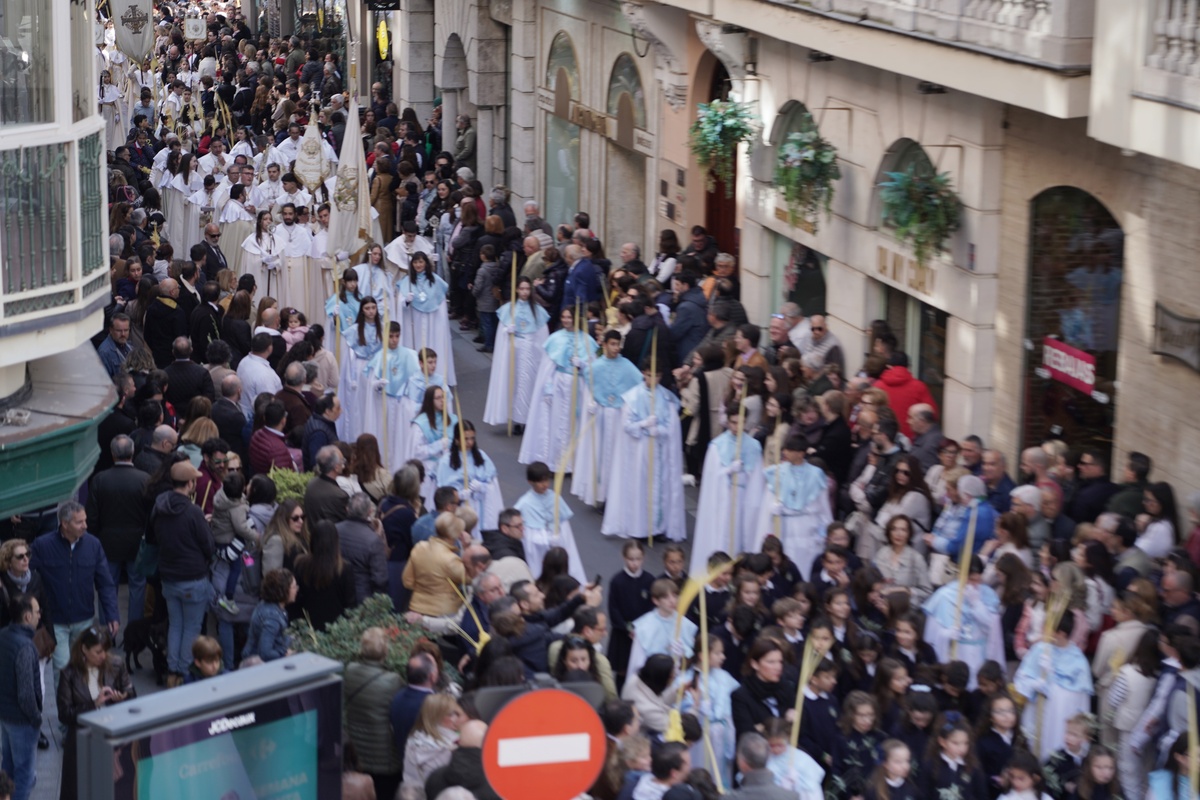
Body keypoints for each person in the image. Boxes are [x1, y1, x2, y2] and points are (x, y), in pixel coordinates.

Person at [29, 501, 119, 686]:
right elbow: (28, 578)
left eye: (85, 520)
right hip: (56, 621)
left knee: (83, 667)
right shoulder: (43, 545)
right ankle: (65, 713)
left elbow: (105, 583)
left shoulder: (93, 545)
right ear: (64, 523)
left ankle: (81, 709)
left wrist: (112, 614)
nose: (85, 525)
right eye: (79, 522)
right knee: (62, 668)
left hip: (83, 619)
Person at [602, 358, 686, 542]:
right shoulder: (633, 397)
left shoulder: (667, 398)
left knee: (660, 488)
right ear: (643, 374)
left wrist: (660, 430)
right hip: (639, 451)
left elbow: (672, 427)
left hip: (659, 450)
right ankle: (639, 527)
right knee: (639, 487)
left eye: (656, 376)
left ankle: (658, 527)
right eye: (649, 375)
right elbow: (626, 425)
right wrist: (643, 424)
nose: (653, 379)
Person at [150, 461, 215, 686]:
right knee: (192, 628)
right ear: (190, 483)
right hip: (193, 578)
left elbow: (152, 537)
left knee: (176, 625)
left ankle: (172, 670)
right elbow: (209, 546)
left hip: (169, 577)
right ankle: (185, 673)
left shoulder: (159, 507)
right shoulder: (193, 511)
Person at [57, 626, 134, 800]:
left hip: (113, 738)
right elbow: (64, 714)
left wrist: (122, 697)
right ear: (84, 649)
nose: (103, 656)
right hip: (81, 742)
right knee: (80, 790)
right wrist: (93, 704)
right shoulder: (69, 674)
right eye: (98, 651)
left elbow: (132, 695)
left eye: (105, 650)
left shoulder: (116, 665)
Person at [692, 402, 766, 574]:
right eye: (733, 422)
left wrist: (745, 474)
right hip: (724, 498)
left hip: (744, 498)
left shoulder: (754, 446)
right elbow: (711, 478)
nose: (736, 427)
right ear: (727, 422)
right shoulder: (717, 445)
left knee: (742, 532)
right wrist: (728, 470)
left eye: (740, 422)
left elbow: (757, 477)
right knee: (723, 532)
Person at [518, 306, 594, 472]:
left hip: (578, 386)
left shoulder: (587, 340)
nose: (566, 320)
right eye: (564, 317)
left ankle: (571, 464)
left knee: (574, 423)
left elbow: (593, 368)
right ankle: (555, 462)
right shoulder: (556, 339)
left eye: (569, 317)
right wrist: (548, 388)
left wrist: (582, 364)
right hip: (559, 385)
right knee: (557, 423)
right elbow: (547, 368)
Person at [572, 330, 643, 507]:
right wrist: (590, 402)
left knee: (618, 455)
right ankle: (600, 495)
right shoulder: (594, 368)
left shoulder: (627, 366)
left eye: (618, 344)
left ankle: (616, 495)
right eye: (612, 344)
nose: (616, 348)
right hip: (601, 416)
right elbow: (589, 389)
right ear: (604, 345)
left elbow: (636, 389)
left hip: (619, 415)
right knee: (600, 455)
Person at [1013, 613, 1094, 760]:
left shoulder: (1079, 661)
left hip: (1064, 717)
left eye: (1048, 627)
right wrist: (1035, 683)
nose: (1043, 630)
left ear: (1061, 633)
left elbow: (1083, 701)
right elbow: (1020, 681)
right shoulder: (1039, 650)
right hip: (1040, 713)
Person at [86, 436, 150, 625]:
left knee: (107, 586)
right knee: (138, 587)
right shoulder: (145, 480)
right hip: (137, 542)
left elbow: (92, 516)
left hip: (107, 542)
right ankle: (134, 629)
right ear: (132, 453)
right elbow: (149, 514)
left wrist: (95, 537)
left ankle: (108, 629)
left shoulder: (99, 479)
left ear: (113, 454)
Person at [344, 628, 405, 800]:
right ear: (385, 650)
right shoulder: (392, 680)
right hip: (384, 757)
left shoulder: (350, 670)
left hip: (357, 752)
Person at [483, 276, 550, 431]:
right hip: (513, 352)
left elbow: (542, 336)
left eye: (527, 289)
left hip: (531, 354)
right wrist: (507, 331)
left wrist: (536, 348)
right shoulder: (509, 310)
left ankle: (527, 419)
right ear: (517, 290)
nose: (525, 292)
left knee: (528, 385)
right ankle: (516, 419)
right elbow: (501, 335)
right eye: (522, 288)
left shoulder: (538, 311)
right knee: (514, 384)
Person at [513, 462, 586, 584]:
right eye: (540, 482)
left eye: (546, 480)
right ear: (530, 482)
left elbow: (565, 528)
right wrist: (545, 540)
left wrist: (560, 539)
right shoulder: (524, 504)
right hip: (539, 551)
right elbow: (527, 538)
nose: (544, 485)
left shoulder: (555, 498)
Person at [0, 594, 42, 800]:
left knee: (7, 767)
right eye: (36, 611)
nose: (39, 616)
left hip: (5, 716)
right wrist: (36, 718)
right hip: (21, 720)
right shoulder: (25, 647)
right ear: (27, 617)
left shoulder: (3, 636)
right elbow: (26, 693)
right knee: (24, 774)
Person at [397, 250, 457, 386]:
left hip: (432, 320)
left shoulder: (435, 280)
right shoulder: (407, 282)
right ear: (412, 264)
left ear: (426, 263)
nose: (418, 265)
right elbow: (401, 304)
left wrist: (440, 323)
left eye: (421, 262)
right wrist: (406, 301)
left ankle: (434, 373)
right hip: (414, 321)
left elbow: (440, 303)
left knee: (432, 344)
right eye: (416, 262)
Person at [436, 421, 504, 537]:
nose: (470, 442)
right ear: (457, 440)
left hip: (479, 506)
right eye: (466, 439)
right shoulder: (446, 461)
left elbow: (493, 485)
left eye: (472, 438)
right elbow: (442, 491)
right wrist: (459, 495)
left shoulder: (481, 456)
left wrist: (482, 487)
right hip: (459, 508)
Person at [294, 521, 357, 631]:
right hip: (337, 629)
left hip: (308, 627)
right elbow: (350, 604)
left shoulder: (301, 565)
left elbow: (297, 598)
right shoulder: (344, 569)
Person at [402, 692, 465, 787]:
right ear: (436, 716)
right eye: (452, 714)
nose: (457, 718)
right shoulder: (447, 749)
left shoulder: (415, 738)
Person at [244, 568, 297, 664]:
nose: (296, 590)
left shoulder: (267, 605)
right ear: (284, 590)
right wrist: (284, 653)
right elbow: (265, 653)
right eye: (293, 587)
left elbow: (278, 638)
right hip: (257, 667)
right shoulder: (272, 618)